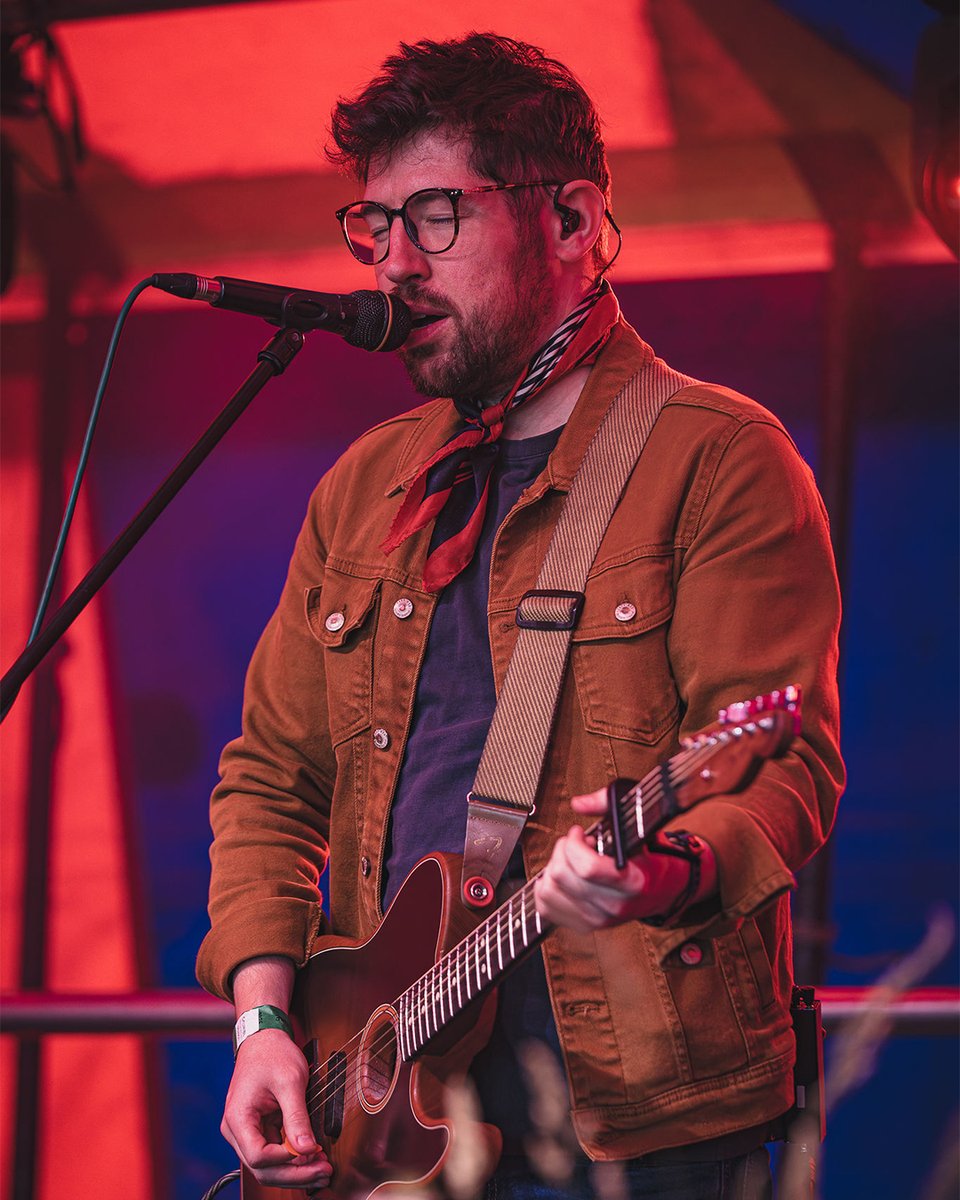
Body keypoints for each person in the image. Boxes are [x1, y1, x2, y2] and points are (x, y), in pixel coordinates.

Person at [196, 32, 844, 1200]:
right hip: (387, 1119)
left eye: (436, 215)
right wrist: (264, 1022)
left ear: (573, 219)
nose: (393, 263)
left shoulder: (719, 458)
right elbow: (270, 779)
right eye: (374, 225)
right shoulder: (364, 486)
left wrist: (666, 872)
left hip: (641, 1123)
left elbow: (782, 771)